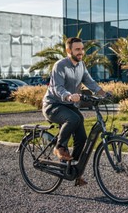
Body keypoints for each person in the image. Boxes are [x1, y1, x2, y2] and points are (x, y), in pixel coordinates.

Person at [42, 37, 107, 186]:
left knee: (82, 139)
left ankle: (74, 172)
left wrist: (102, 92)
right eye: (77, 49)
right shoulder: (60, 65)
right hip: (53, 105)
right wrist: (69, 95)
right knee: (73, 119)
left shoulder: (81, 65)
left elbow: (89, 81)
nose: (81, 52)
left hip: (69, 105)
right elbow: (57, 87)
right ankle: (59, 147)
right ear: (68, 50)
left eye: (82, 49)